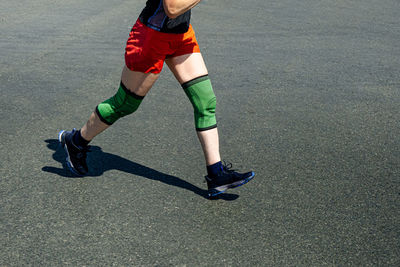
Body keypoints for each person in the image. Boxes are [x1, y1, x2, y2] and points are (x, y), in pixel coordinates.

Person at [58, 0, 255, 198]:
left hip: (181, 33)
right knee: (125, 104)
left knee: (206, 102)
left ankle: (216, 174)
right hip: (151, 38)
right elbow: (172, 8)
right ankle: (75, 141)